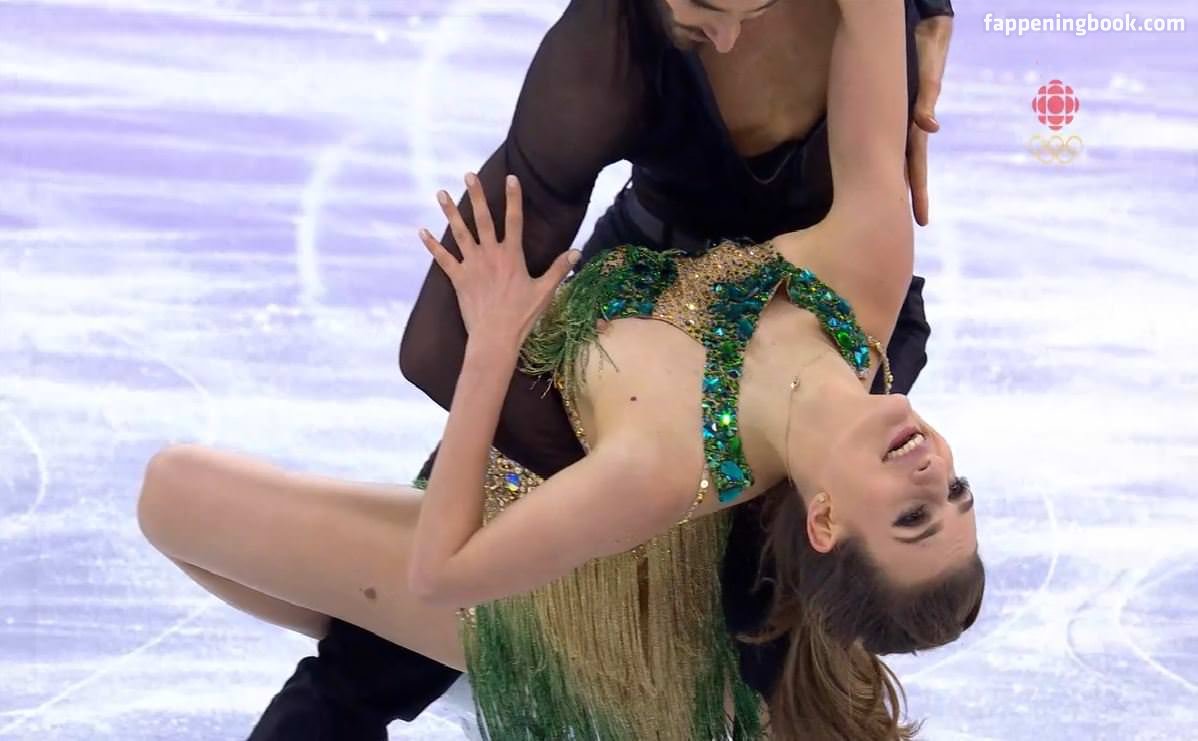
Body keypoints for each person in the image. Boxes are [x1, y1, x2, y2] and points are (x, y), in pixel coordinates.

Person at [136, 0, 983, 738]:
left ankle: (560, 684)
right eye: (956, 491)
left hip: (560, 614)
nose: (931, 474)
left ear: (825, 518)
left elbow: (443, 570)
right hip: (608, 570)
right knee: (357, 653)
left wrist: (493, 341)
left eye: (913, 515)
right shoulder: (867, 273)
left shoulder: (658, 467)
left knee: (172, 497)